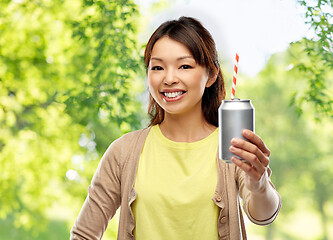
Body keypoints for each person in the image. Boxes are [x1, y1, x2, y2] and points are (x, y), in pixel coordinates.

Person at [70, 16, 281, 240]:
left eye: (184, 66)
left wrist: (258, 184)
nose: (169, 79)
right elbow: (84, 234)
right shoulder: (124, 151)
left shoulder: (232, 148)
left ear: (211, 74)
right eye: (158, 67)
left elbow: (263, 215)